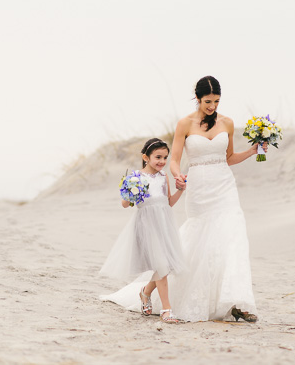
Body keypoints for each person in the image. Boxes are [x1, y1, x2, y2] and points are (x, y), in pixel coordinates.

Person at [168, 75, 267, 322]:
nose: (212, 106)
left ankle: (234, 301)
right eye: (208, 101)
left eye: (217, 101)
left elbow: (229, 157)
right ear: (198, 98)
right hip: (199, 187)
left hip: (224, 186)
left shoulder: (228, 123)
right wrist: (178, 175)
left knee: (232, 238)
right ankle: (157, 288)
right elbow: (174, 159)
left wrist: (252, 151)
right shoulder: (185, 124)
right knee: (198, 240)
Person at [99, 138, 186, 323]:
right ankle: (166, 309)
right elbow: (124, 204)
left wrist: (180, 190)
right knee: (161, 265)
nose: (162, 161)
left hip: (164, 223)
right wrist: (133, 191)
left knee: (166, 265)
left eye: (165, 157)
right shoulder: (136, 177)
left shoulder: (163, 177)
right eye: (158, 157)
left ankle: (145, 292)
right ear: (146, 157)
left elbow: (168, 202)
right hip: (147, 224)